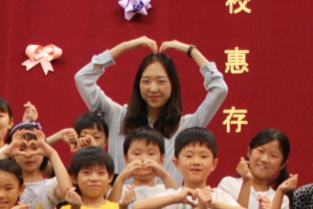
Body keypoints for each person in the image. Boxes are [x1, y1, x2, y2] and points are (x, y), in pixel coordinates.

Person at [73, 38, 229, 174]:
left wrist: (191, 51)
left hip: (168, 200)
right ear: (138, 85)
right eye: (146, 81)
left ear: (173, 85)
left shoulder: (186, 127)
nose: (153, 89)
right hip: (120, 199)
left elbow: (220, 89)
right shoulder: (117, 117)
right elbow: (83, 79)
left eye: (161, 81)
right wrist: (125, 47)